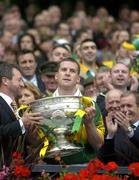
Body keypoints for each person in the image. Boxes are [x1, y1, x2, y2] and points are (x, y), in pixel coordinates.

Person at [52, 58, 104, 164]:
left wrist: (89, 124)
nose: (67, 73)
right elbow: (36, 142)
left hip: (83, 168)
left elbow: (98, 145)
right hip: (51, 168)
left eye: (72, 71)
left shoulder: (90, 105)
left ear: (78, 79)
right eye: (64, 70)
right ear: (56, 76)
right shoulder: (43, 105)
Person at [0, 63, 43, 166]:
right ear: (5, 81)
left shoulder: (13, 106)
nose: (22, 84)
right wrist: (22, 122)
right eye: (19, 80)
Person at [98, 91, 139, 165]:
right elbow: (104, 160)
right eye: (122, 106)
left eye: (129, 106)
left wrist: (130, 132)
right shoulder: (116, 129)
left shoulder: (128, 130)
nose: (125, 110)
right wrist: (110, 135)